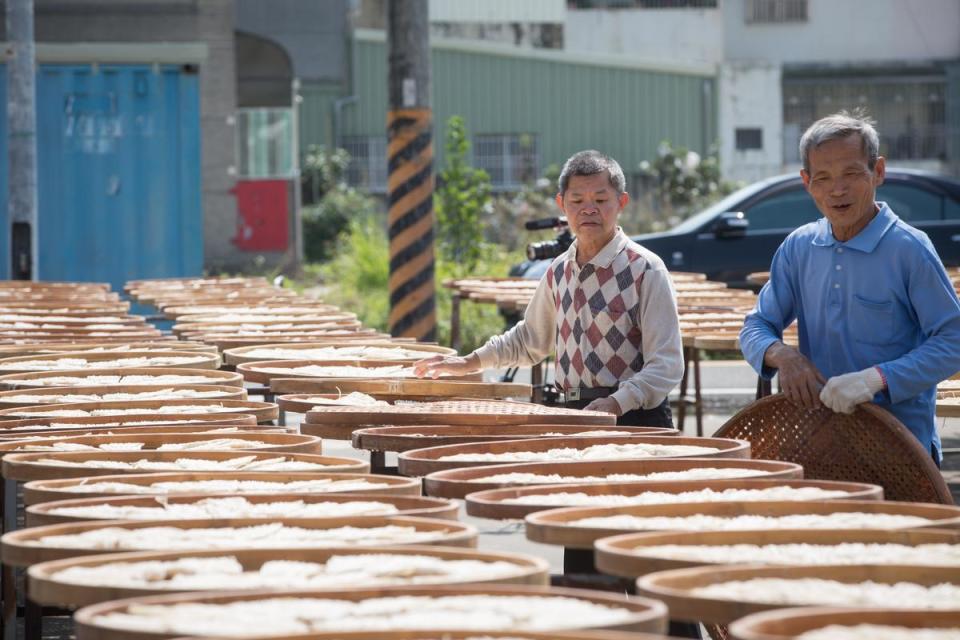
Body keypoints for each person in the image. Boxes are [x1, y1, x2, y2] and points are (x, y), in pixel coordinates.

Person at [739, 111, 960, 464]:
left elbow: (953, 341)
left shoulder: (909, 249)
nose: (837, 189)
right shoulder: (799, 247)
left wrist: (878, 380)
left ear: (879, 172)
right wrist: (784, 356)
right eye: (823, 177)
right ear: (806, 182)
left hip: (899, 446)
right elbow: (756, 326)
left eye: (852, 173)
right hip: (819, 440)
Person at [413, 150, 684, 427]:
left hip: (634, 416)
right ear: (561, 205)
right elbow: (530, 338)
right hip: (572, 411)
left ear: (621, 202)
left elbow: (666, 364)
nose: (589, 209)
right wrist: (468, 363)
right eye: (577, 200)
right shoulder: (559, 270)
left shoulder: (646, 269)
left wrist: (618, 402)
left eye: (601, 200)